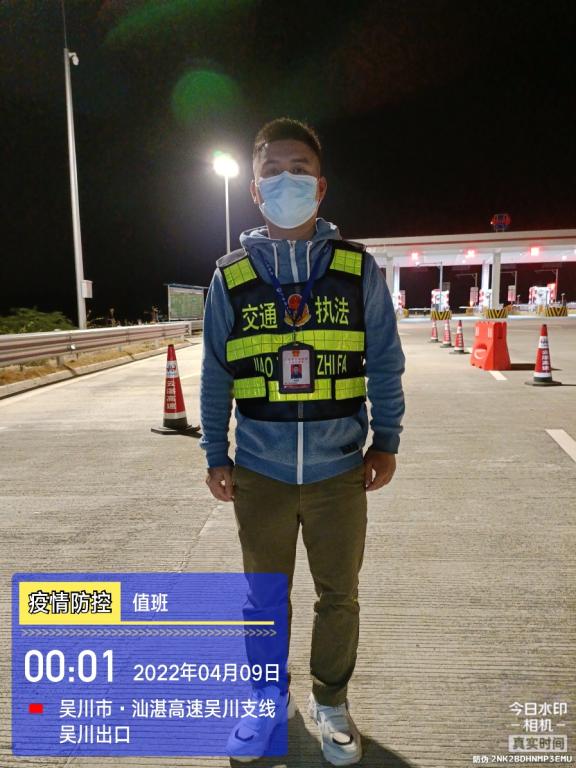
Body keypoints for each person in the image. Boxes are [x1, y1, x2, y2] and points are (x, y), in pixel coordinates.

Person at [200, 117, 405, 765]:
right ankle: (266, 701)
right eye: (272, 171)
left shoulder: (355, 270)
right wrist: (215, 453)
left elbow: (385, 362)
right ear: (254, 190)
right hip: (259, 472)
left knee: (338, 596)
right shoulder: (231, 279)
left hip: (338, 471)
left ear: (320, 187)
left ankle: (331, 701)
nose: (285, 180)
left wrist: (387, 439)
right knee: (263, 599)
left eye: (299, 170)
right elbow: (215, 373)